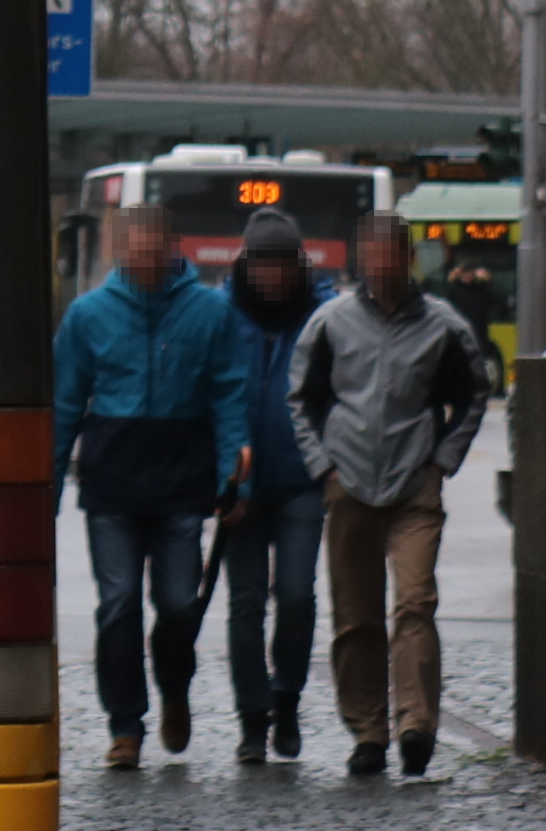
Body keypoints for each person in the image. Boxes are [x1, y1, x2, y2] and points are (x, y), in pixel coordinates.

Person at [289, 213, 488, 777]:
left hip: (414, 483)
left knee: (415, 603)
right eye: (372, 255)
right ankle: (368, 730)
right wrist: (323, 466)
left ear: (408, 260)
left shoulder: (444, 326)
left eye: (391, 255)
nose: (381, 266)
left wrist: (442, 461)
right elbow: (301, 399)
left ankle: (416, 725)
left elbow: (473, 394)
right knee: (356, 614)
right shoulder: (331, 322)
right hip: (349, 482)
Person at [53, 205, 250, 770]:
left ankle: (175, 688)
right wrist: (48, 486)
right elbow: (65, 404)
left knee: (178, 604)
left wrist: (235, 481)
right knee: (118, 604)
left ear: (170, 248)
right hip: (112, 479)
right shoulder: (89, 315)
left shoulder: (209, 312)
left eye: (149, 250)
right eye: (131, 250)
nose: (139, 260)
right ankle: (125, 725)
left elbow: (229, 397)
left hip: (181, 478)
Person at [222, 208, 334, 764]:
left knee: (295, 594)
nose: (271, 275)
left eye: (281, 263)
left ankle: (286, 699)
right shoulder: (221, 315)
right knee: (245, 603)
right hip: (239, 484)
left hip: (302, 479)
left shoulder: (326, 316)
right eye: (261, 263)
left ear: (299, 264)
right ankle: (252, 718)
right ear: (246, 264)